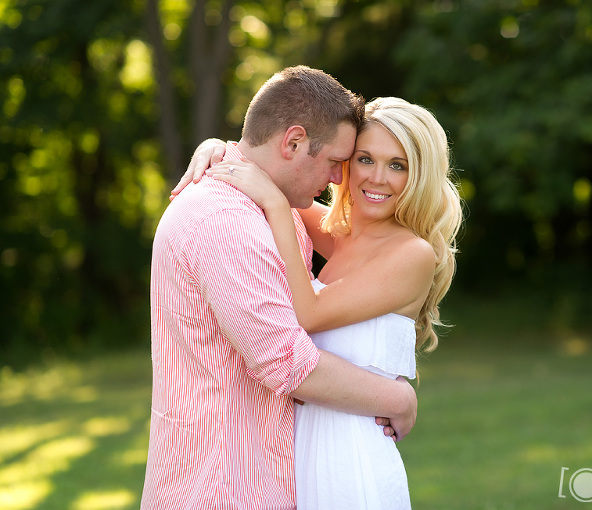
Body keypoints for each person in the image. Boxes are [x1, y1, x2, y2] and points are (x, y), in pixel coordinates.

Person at [141, 67, 418, 510]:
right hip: (222, 487)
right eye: (335, 162)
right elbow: (288, 363)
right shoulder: (225, 221)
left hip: (262, 478)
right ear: (292, 142)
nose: (337, 179)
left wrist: (219, 148)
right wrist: (399, 399)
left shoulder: (273, 204)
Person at [183, 97, 463, 509]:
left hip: (351, 465)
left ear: (419, 175)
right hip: (303, 457)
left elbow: (307, 314)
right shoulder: (346, 235)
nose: (378, 178)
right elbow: (267, 171)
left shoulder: (413, 254)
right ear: (346, 164)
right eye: (365, 159)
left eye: (398, 165)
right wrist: (217, 148)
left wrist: (277, 206)